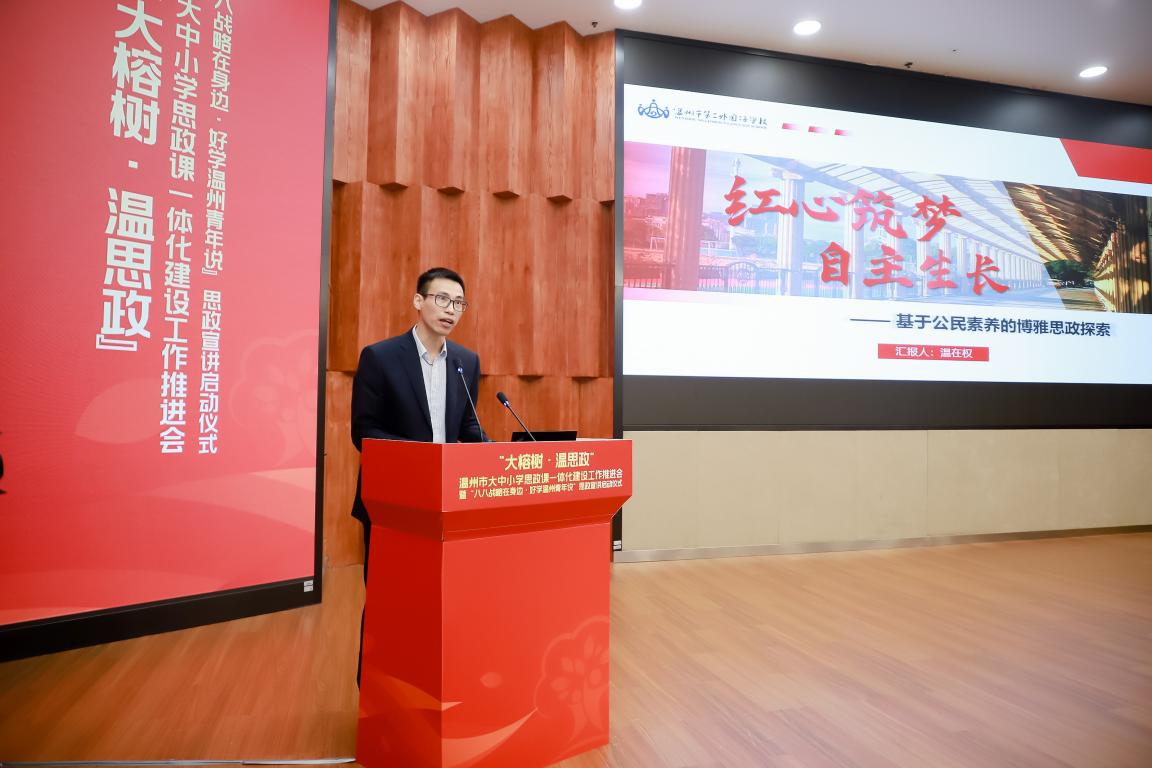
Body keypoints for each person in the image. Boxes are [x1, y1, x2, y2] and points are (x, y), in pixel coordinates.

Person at [349, 266, 484, 682]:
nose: (451, 310)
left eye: (458, 303)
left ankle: (432, 687)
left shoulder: (465, 362)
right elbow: (364, 431)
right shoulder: (380, 357)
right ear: (418, 301)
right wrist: (424, 460)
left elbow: (468, 428)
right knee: (390, 602)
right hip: (394, 506)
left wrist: (496, 453)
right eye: (442, 299)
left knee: (442, 602)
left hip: (448, 506)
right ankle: (377, 690)